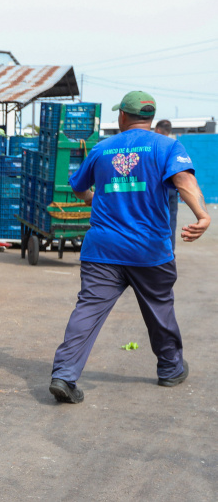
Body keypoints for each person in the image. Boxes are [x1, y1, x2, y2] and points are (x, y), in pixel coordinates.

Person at [49, 91, 210, 404]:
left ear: (122, 116)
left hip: (102, 250)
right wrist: (202, 216)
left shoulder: (101, 149)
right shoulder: (167, 146)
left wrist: (94, 199)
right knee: (160, 310)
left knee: (88, 309)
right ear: (149, 117)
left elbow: (79, 186)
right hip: (149, 250)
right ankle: (170, 368)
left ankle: (64, 376)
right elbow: (184, 182)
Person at [155, 119, 179, 251]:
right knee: (171, 222)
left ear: (158, 130)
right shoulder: (174, 145)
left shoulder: (154, 145)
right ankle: (169, 252)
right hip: (172, 190)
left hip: (156, 190)